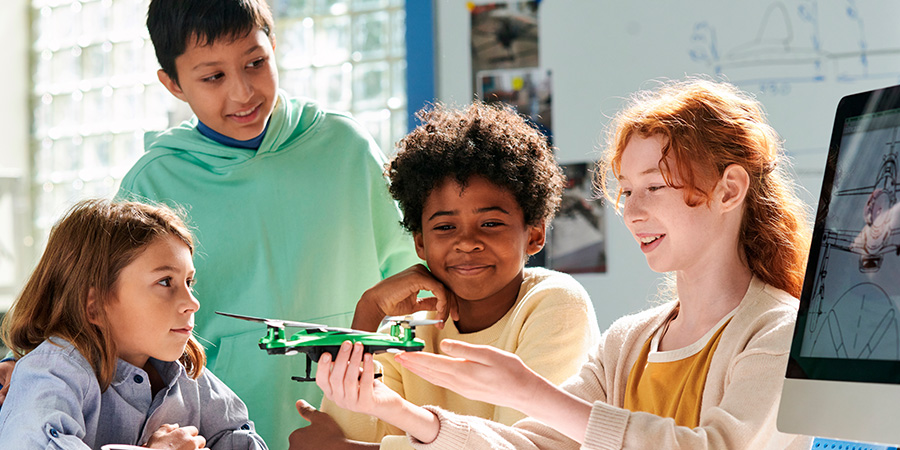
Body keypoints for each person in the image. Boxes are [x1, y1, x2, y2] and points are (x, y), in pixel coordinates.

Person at [310, 78, 815, 449]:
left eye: (655, 187)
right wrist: (393, 411)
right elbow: (531, 446)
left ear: (729, 189)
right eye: (626, 192)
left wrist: (528, 391)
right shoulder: (628, 341)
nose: (632, 212)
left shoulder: (779, 332)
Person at [0, 0, 423, 443]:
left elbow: (404, 280)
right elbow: (96, 285)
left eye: (256, 63)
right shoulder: (155, 177)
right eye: (213, 76)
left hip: (351, 412)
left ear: (274, 47)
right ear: (173, 84)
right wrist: (21, 362)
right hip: (208, 421)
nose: (242, 92)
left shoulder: (346, 147)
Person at [287, 101, 601, 450]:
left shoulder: (554, 303)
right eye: (445, 226)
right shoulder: (407, 327)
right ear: (420, 242)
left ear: (535, 234)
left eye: (491, 223)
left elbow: (519, 444)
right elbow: (347, 430)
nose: (467, 243)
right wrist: (369, 310)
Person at [0, 199, 267, 449]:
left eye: (189, 283)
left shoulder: (186, 374)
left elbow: (238, 439)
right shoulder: (54, 370)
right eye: (165, 282)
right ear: (93, 304)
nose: (192, 303)